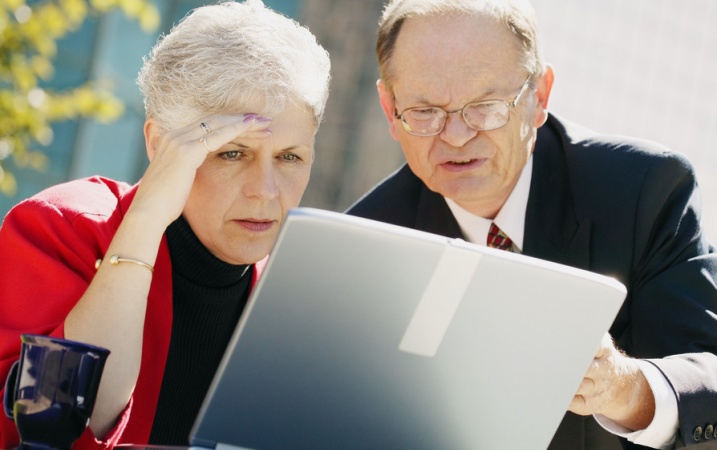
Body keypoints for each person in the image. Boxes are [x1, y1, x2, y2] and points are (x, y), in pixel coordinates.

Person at [346, 0, 717, 448]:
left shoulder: (646, 191)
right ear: (390, 110)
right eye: (425, 112)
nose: (457, 136)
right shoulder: (363, 246)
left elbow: (707, 377)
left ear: (539, 96)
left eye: (484, 106)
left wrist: (622, 387)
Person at [0, 0, 330, 447]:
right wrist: (146, 221)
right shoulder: (64, 229)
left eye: (290, 157)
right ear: (160, 144)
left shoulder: (301, 297)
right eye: (232, 153)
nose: (266, 190)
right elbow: (55, 428)